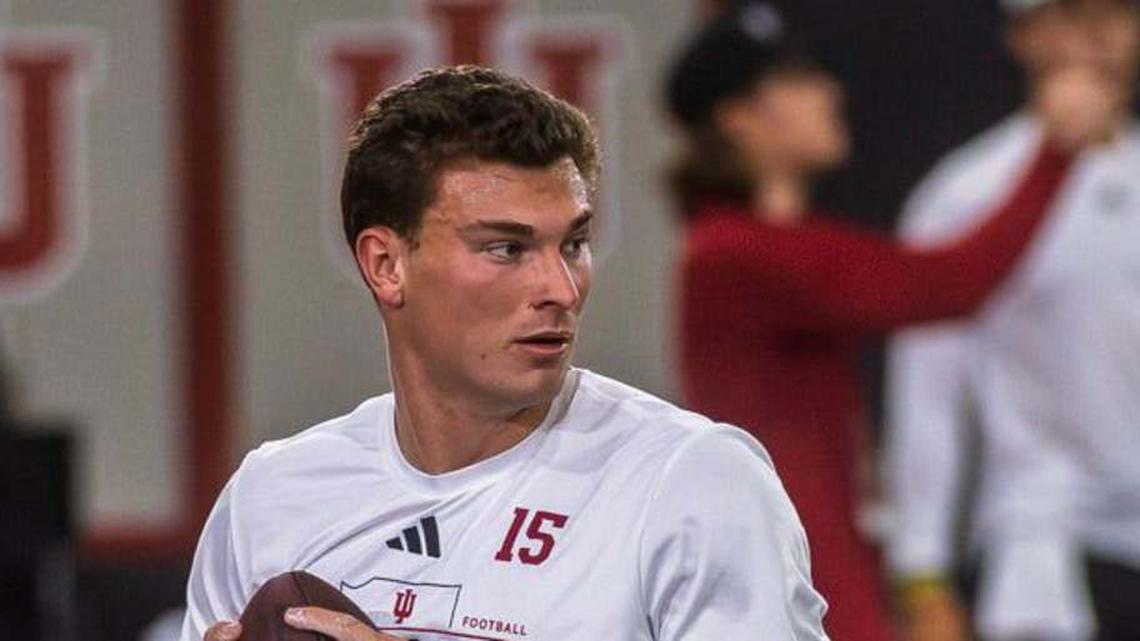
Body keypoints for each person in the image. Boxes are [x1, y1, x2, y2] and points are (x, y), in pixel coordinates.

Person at [181, 66, 829, 641]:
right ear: (386, 264)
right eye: (506, 249)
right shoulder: (272, 499)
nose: (560, 287)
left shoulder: (691, 481)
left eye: (573, 243)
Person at [663, 2, 1118, 640]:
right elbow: (949, 283)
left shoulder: (760, 245)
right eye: (796, 81)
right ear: (739, 117)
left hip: (815, 557)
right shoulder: (736, 253)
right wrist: (1055, 155)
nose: (829, 93)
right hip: (792, 574)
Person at [885, 1, 1140, 640]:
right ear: (1024, 36)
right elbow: (928, 396)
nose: (1098, 42)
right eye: (1072, 18)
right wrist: (923, 573)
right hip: (1049, 548)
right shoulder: (967, 192)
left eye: (1117, 15)